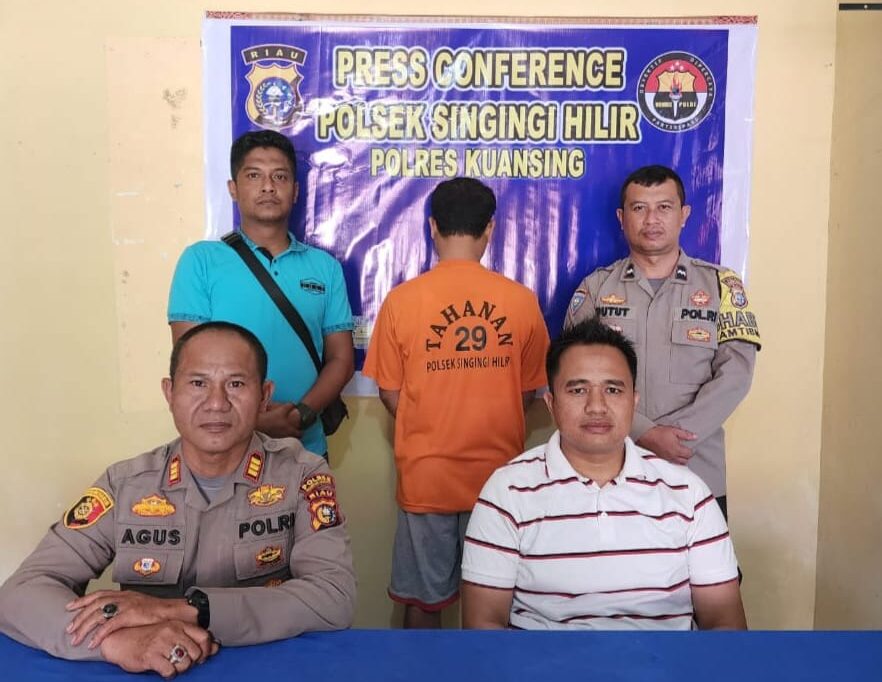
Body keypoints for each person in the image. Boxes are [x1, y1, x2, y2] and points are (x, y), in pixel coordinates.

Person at [0, 322, 356, 677]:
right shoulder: (125, 485)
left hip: (266, 669)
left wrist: (181, 610)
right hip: (154, 671)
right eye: (198, 383)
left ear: (264, 396)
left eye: (236, 384)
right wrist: (118, 643)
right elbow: (21, 592)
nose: (216, 403)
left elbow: (333, 597)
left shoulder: (302, 476)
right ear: (169, 393)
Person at [461, 318, 746, 630]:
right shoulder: (506, 492)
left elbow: (725, 624)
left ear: (633, 401)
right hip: (543, 660)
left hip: (663, 660)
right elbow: (483, 626)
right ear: (551, 404)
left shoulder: (688, 494)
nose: (596, 407)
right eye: (578, 390)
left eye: (612, 390)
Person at [362, 177, 550, 628]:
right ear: (490, 228)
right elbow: (528, 391)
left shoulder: (401, 301)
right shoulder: (521, 301)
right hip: (500, 482)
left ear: (432, 226)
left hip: (426, 477)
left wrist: (427, 419)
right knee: (494, 605)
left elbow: (390, 392)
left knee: (422, 603)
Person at [565, 165, 761, 516]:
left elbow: (737, 374)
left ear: (684, 215)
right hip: (612, 471)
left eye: (664, 207)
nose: (651, 219)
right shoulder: (595, 288)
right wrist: (643, 433)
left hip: (696, 469)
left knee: (703, 555)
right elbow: (571, 376)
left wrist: (678, 435)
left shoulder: (721, 286)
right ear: (622, 218)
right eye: (639, 208)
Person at [168, 130, 354, 459]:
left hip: (304, 448)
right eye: (254, 175)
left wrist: (301, 415)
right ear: (233, 188)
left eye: (279, 176)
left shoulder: (325, 268)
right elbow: (189, 363)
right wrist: (254, 421)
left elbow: (341, 359)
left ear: (295, 191)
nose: (268, 186)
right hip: (226, 450)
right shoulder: (201, 261)